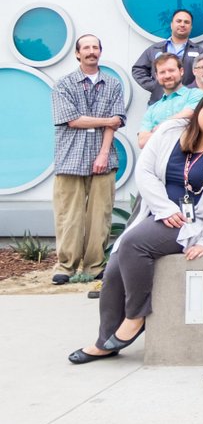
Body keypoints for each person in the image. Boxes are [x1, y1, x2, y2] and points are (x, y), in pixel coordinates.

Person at [69, 89, 203, 363]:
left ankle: (137, 316)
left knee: (133, 243)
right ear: (201, 107)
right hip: (159, 213)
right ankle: (105, 341)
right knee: (115, 266)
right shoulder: (169, 131)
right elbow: (145, 172)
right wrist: (164, 208)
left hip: (195, 223)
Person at [50, 35, 126, 285]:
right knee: (68, 214)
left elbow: (117, 122)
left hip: (103, 156)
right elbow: (73, 120)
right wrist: (106, 120)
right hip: (70, 157)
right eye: (86, 47)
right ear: (77, 53)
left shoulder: (113, 85)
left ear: (100, 52)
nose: (91, 51)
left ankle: (95, 265)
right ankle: (66, 266)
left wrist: (104, 153)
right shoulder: (63, 84)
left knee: (100, 214)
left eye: (95, 47)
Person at [131, 9, 203, 102]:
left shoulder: (199, 51)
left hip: (187, 103)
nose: (182, 24)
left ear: (191, 27)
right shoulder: (155, 49)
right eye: (178, 21)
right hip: (158, 102)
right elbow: (138, 69)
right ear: (171, 25)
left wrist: (193, 91)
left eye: (186, 22)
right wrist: (155, 86)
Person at [137, 54, 203, 148]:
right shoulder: (152, 109)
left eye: (171, 70)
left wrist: (160, 127)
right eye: (162, 72)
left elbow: (189, 114)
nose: (167, 75)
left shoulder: (196, 94)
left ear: (181, 71)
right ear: (157, 76)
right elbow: (142, 142)